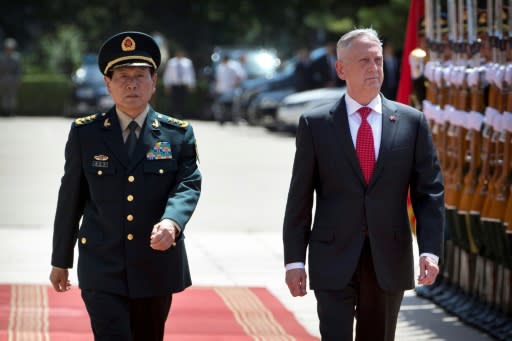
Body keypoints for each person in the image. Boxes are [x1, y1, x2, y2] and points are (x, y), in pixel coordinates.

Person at [282, 28, 444, 341]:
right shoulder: (316, 124)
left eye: (378, 60)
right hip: (332, 256)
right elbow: (300, 198)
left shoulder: (412, 122)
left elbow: (429, 193)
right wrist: (293, 260)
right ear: (341, 69)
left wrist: (430, 250)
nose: (374, 68)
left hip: (388, 258)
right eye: (363, 61)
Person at [49, 31, 201, 341]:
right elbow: (71, 199)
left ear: (154, 81)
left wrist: (172, 222)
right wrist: (60, 259)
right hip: (101, 264)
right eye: (122, 76)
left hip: (154, 264)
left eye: (139, 75)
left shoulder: (177, 134)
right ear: (107, 82)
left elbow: (187, 183)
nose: (131, 83)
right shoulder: (86, 134)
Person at [162, 48, 196, 118]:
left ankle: (181, 115)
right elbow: (167, 74)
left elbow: (190, 73)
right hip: (174, 85)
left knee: (182, 100)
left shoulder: (187, 62)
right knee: (173, 100)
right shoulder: (171, 62)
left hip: (183, 84)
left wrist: (191, 84)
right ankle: (174, 114)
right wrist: (167, 84)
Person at [0, 38, 22, 116]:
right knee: (4, 97)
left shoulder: (16, 57)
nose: (9, 49)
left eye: (10, 48)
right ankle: (4, 111)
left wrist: (18, 79)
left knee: (12, 97)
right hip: (3, 79)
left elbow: (19, 70)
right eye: (8, 48)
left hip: (13, 80)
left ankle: (11, 111)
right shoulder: (1, 57)